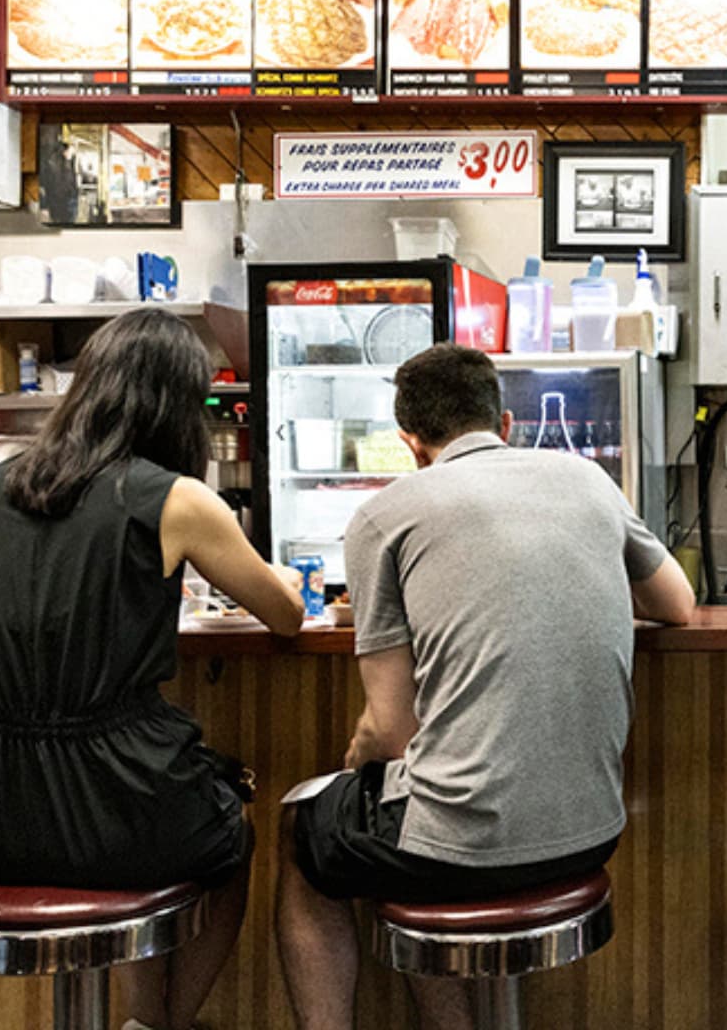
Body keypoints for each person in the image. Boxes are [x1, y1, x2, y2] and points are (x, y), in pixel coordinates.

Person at [275, 344, 692, 1030]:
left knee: (308, 827)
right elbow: (676, 603)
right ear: (504, 422)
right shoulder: (586, 480)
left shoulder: (386, 514)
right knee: (407, 818)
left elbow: (392, 731)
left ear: (410, 444)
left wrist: (356, 760)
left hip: (461, 846)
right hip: (593, 831)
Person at [0, 309, 304, 1030]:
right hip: (127, 790)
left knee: (169, 830)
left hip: (3, 804)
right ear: (175, 403)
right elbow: (285, 616)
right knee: (225, 839)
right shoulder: (174, 498)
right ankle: (156, 1025)